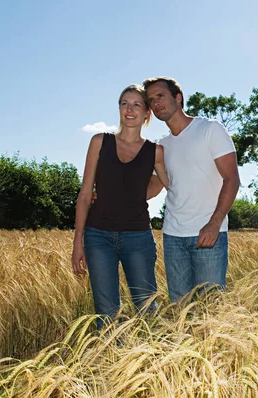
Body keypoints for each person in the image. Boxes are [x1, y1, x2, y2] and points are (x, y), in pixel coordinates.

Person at [71, 84, 168, 330]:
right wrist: (78, 241)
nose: (130, 109)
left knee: (147, 306)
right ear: (119, 109)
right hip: (98, 236)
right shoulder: (99, 142)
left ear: (147, 113)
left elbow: (167, 183)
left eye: (137, 104)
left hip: (138, 237)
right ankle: (114, 364)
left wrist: (135, 195)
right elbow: (84, 195)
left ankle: (154, 360)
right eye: (124, 103)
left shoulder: (155, 151)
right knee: (106, 313)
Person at [142, 76, 240, 303]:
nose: (155, 103)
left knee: (210, 309)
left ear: (178, 98)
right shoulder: (162, 146)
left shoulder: (210, 130)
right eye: (150, 100)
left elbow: (232, 179)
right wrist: (113, 197)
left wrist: (214, 224)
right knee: (180, 309)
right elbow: (154, 187)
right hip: (173, 236)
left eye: (160, 96)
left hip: (208, 235)